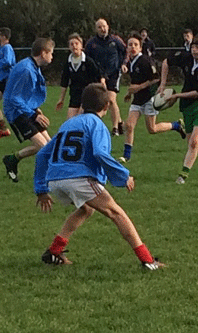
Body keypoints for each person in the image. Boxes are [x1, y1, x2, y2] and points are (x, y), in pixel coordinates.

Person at [34, 83, 165, 269]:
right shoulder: (97, 125)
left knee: (86, 209)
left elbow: (42, 154)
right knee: (116, 212)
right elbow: (100, 154)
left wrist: (41, 189)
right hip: (77, 179)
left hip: (55, 180)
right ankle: (148, 260)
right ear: (106, 106)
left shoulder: (68, 123)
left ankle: (54, 252)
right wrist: (124, 176)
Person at [157, 34, 198, 184]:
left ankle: (182, 176)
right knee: (193, 143)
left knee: (193, 142)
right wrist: (163, 84)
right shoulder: (187, 58)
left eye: (197, 48)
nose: (194, 51)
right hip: (187, 106)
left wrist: (177, 95)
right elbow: (166, 62)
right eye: (192, 47)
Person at [119, 33, 186, 163]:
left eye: (135, 45)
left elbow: (155, 79)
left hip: (150, 98)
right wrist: (129, 93)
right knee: (129, 125)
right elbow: (135, 82)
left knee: (152, 129)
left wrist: (138, 88)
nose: (133, 47)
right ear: (127, 48)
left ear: (140, 47)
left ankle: (176, 125)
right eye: (130, 45)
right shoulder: (131, 62)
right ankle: (126, 155)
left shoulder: (145, 60)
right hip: (138, 99)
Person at [2, 37, 55, 183]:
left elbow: (25, 94)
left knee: (49, 145)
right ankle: (46, 180)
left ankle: (12, 159)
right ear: (43, 53)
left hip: (27, 109)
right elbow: (14, 98)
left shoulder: (32, 66)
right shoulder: (26, 69)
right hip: (17, 113)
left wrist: (36, 109)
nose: (52, 56)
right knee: (43, 147)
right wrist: (33, 114)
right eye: (51, 53)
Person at [84, 18, 127, 136]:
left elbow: (126, 52)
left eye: (104, 26)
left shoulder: (115, 40)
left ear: (108, 27)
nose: (102, 29)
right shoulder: (91, 43)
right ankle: (119, 122)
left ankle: (115, 129)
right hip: (98, 74)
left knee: (111, 99)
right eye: (99, 27)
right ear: (96, 29)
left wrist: (123, 64)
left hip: (113, 73)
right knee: (98, 101)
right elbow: (86, 58)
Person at [56, 33, 104, 120]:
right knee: (70, 121)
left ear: (81, 45)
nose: (74, 46)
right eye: (71, 44)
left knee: (81, 119)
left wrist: (102, 91)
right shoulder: (68, 62)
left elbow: (99, 75)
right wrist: (61, 99)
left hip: (87, 95)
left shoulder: (88, 61)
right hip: (74, 95)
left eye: (76, 43)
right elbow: (64, 81)